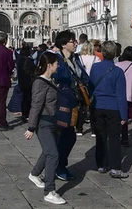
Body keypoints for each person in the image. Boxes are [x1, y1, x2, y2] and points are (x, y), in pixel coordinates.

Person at [25, 51, 67, 206]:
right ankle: (49, 191)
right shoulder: (40, 83)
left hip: (52, 121)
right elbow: (36, 105)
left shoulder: (51, 80)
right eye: (56, 63)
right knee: (53, 154)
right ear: (49, 65)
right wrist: (31, 127)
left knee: (48, 151)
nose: (58, 65)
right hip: (43, 122)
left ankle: (35, 174)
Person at [53, 30, 88, 181]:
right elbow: (58, 77)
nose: (75, 43)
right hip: (61, 102)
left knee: (70, 136)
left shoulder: (76, 59)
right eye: (72, 41)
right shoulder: (57, 60)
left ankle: (60, 165)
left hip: (75, 101)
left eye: (75, 41)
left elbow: (84, 76)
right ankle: (57, 167)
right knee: (64, 136)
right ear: (63, 44)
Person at [90, 41, 129, 178]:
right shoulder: (118, 72)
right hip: (113, 108)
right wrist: (124, 115)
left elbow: (91, 86)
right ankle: (115, 167)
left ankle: (101, 164)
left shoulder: (95, 68)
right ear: (115, 54)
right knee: (113, 138)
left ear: (103, 53)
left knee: (100, 137)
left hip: (97, 106)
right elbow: (121, 95)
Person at [16, 43, 36, 121]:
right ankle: (27, 114)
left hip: (22, 81)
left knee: (25, 98)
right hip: (28, 82)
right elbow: (33, 70)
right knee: (28, 98)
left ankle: (24, 114)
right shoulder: (28, 60)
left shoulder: (20, 60)